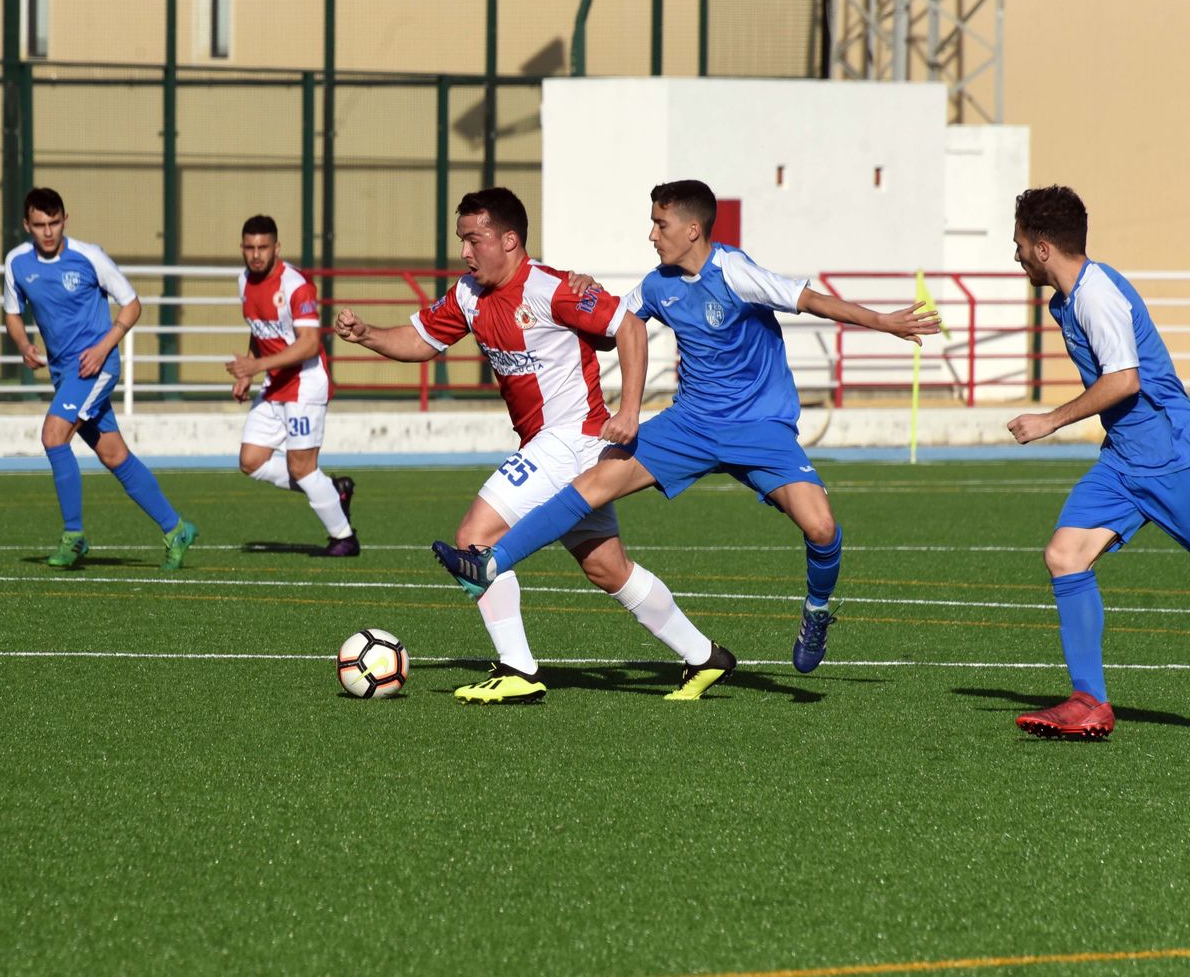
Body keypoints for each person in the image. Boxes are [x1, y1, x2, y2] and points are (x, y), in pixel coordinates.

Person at [434, 179, 941, 673]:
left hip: (759, 429)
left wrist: (884, 322)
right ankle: (492, 562)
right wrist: (584, 286)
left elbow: (811, 300)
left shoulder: (735, 271)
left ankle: (817, 611)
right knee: (592, 481)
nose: (652, 235)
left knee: (822, 527)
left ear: (692, 230)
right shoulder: (659, 284)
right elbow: (611, 326)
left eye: (661, 225)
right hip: (690, 425)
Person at [336, 187, 736, 703]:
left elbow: (629, 327)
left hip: (569, 441)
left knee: (475, 537)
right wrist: (367, 333)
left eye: (474, 240)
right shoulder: (468, 294)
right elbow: (420, 340)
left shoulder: (552, 288)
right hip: (561, 448)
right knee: (606, 567)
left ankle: (518, 670)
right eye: (461, 240)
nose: (464, 252)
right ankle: (704, 655)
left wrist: (629, 412)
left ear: (509, 240)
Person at [1006, 186, 1190, 739]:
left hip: (1170, 455)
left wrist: (1050, 420)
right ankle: (1089, 700)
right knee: (1065, 555)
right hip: (1124, 463)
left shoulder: (1095, 295)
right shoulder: (1065, 300)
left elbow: (1124, 380)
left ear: (1042, 248)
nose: (1015, 254)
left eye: (1018, 244)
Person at [3, 188, 198, 571]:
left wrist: (103, 346)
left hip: (97, 367)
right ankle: (176, 528)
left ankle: (73, 536)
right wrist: (24, 344)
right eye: (40, 225)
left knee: (53, 435)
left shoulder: (89, 256)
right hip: (64, 373)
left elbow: (132, 304)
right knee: (114, 454)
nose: (48, 232)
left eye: (54, 223)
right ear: (27, 225)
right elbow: (12, 312)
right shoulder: (17, 262)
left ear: (65, 220)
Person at [226, 215, 358, 556]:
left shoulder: (295, 286)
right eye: (250, 248)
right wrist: (247, 373)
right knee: (251, 461)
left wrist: (256, 366)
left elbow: (310, 343)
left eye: (263, 247)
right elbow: (259, 330)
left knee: (302, 468)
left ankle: (344, 538)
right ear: (242, 248)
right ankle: (331, 491)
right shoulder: (243, 281)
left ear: (277, 248)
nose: (256, 254)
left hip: (304, 384)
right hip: (275, 383)